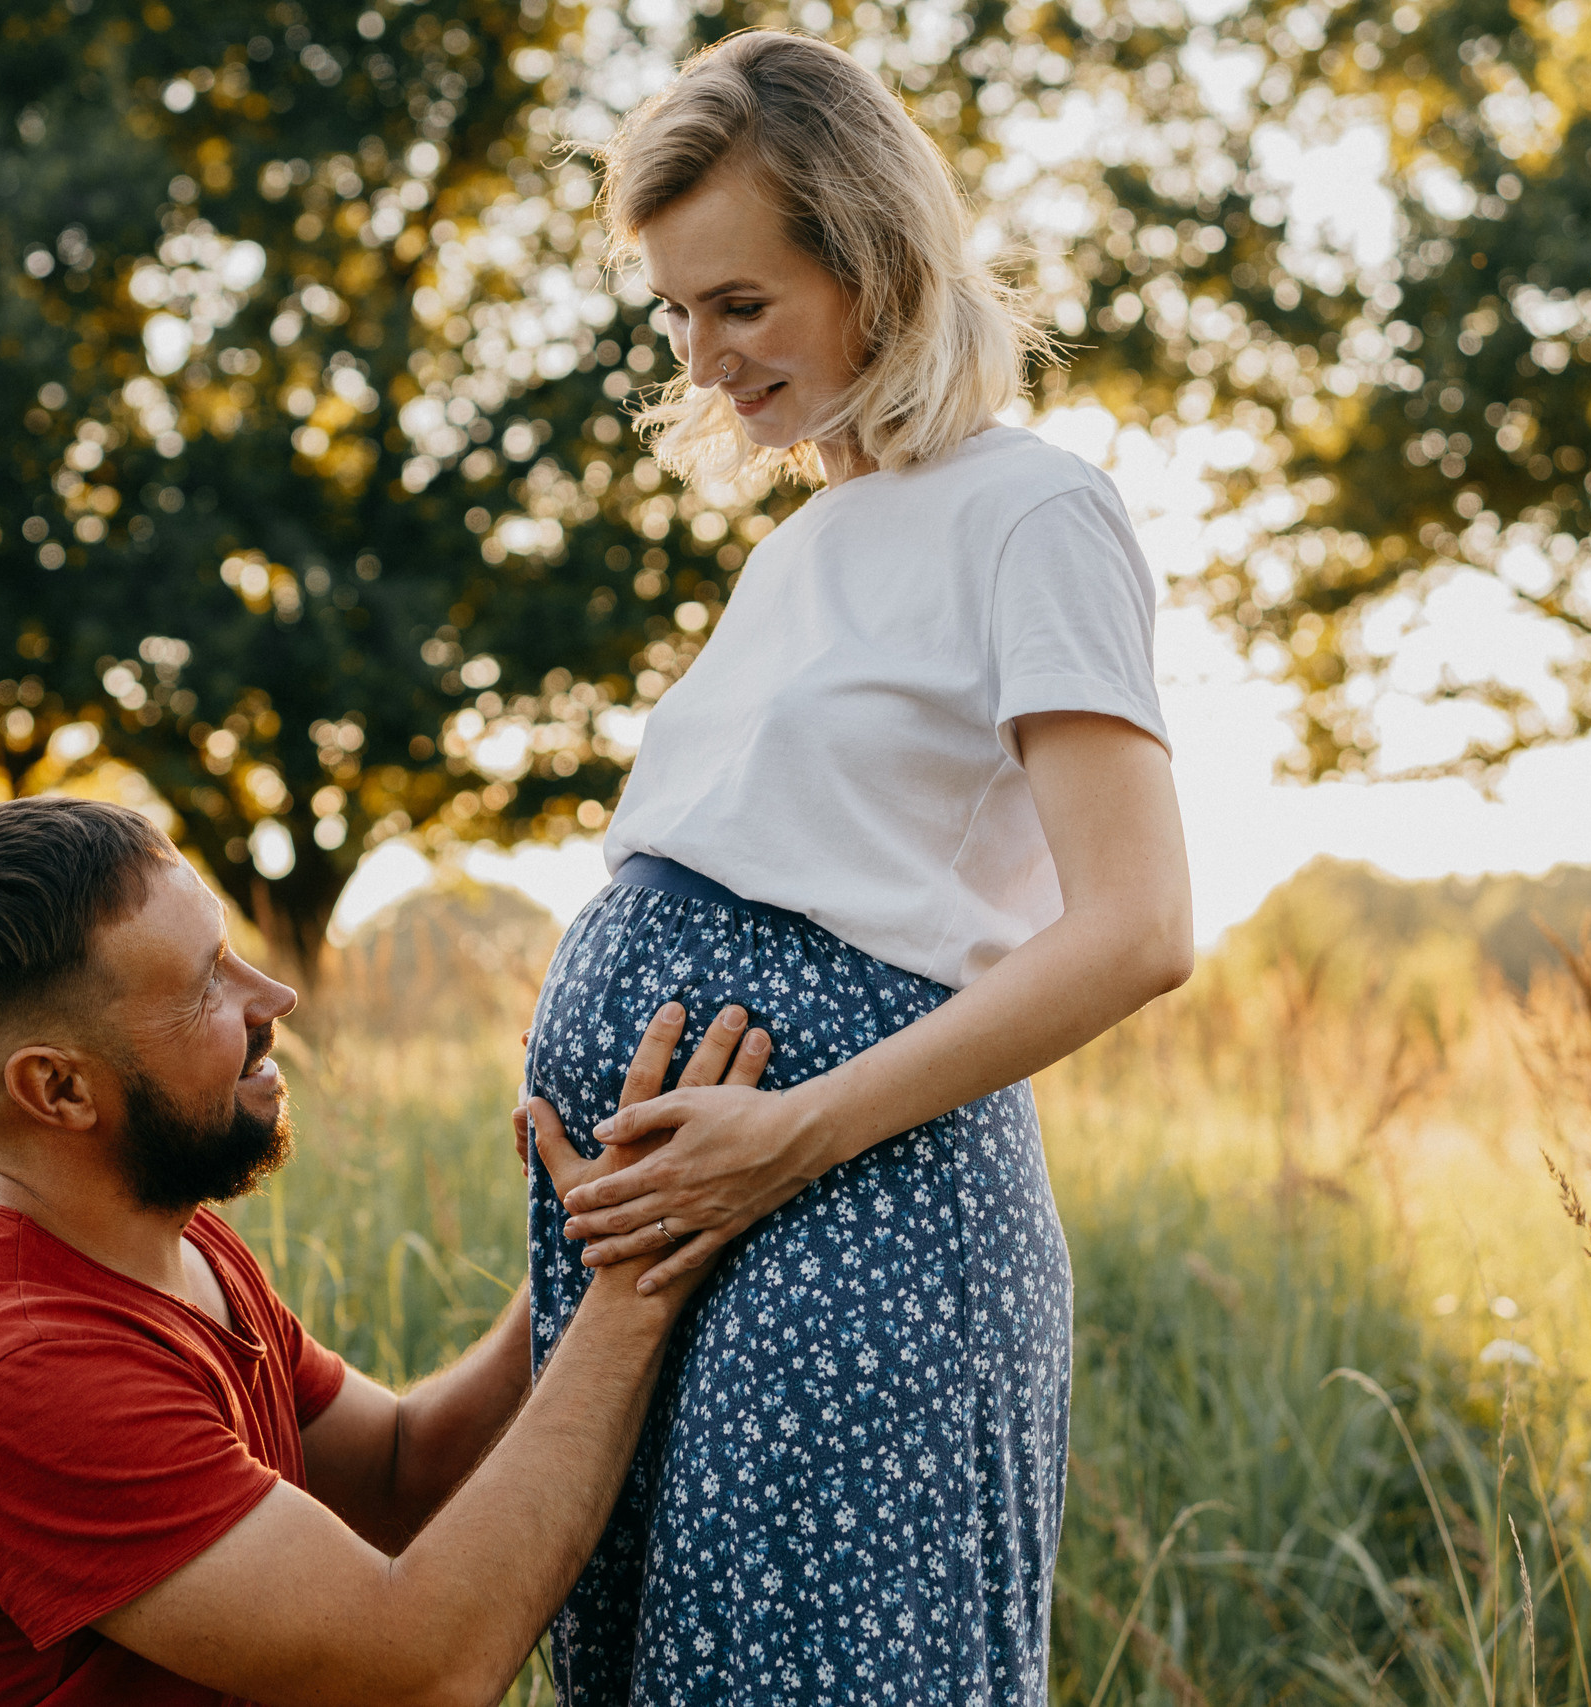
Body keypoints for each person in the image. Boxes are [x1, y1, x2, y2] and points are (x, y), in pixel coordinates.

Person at [520, 30, 1195, 1706]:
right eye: (679, 312)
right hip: (691, 1215)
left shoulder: (1031, 512)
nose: (703, 354)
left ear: (878, 259)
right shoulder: (806, 540)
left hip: (850, 1219)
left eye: (741, 303)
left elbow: (1139, 928)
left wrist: (781, 1140)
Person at [0, 794, 771, 1707]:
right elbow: (426, 1667)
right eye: (205, 988)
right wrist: (639, 1276)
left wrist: (597, 1222)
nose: (275, 995)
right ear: (60, 1090)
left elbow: (400, 1475)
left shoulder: (166, 1240)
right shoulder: (18, 1369)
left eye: (231, 951)